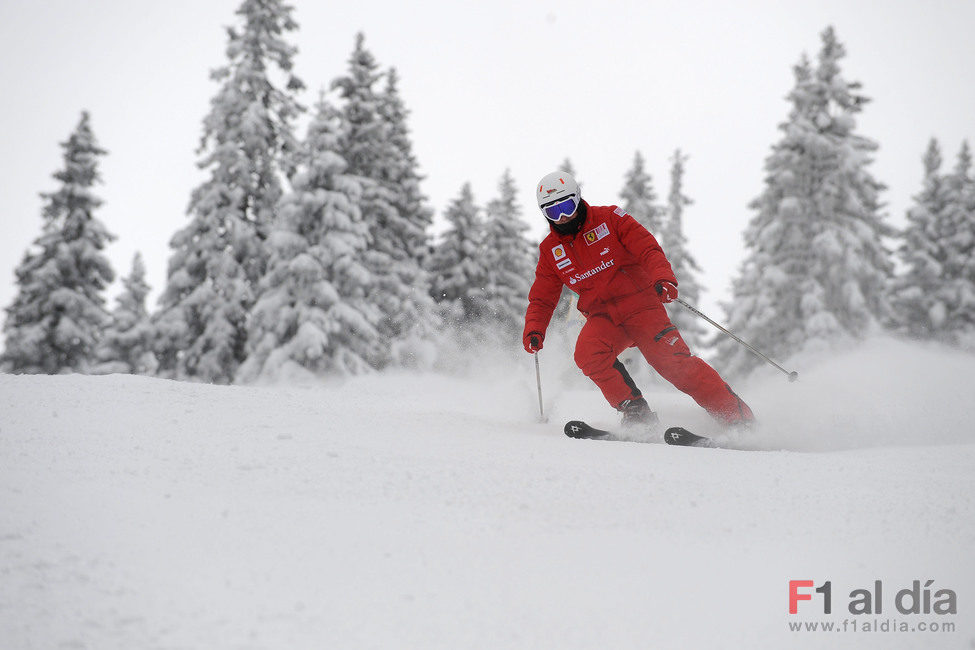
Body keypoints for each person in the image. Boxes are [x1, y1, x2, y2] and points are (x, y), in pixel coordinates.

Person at [523, 170, 754, 429]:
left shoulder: (610, 219)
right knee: (588, 354)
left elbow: (646, 247)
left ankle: (738, 420)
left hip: (641, 306)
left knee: (673, 365)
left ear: (578, 198)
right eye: (553, 212)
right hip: (604, 316)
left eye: (566, 206)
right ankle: (636, 413)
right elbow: (542, 296)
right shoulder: (550, 251)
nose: (563, 217)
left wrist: (663, 277)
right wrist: (534, 329)